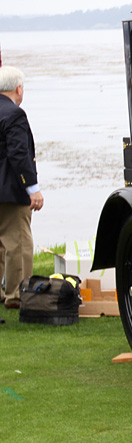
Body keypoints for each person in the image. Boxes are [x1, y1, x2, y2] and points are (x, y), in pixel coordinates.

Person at [0, 66, 44, 314]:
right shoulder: (14, 115)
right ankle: (16, 294)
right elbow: (19, 153)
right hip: (9, 190)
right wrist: (33, 188)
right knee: (18, 242)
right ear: (19, 88)